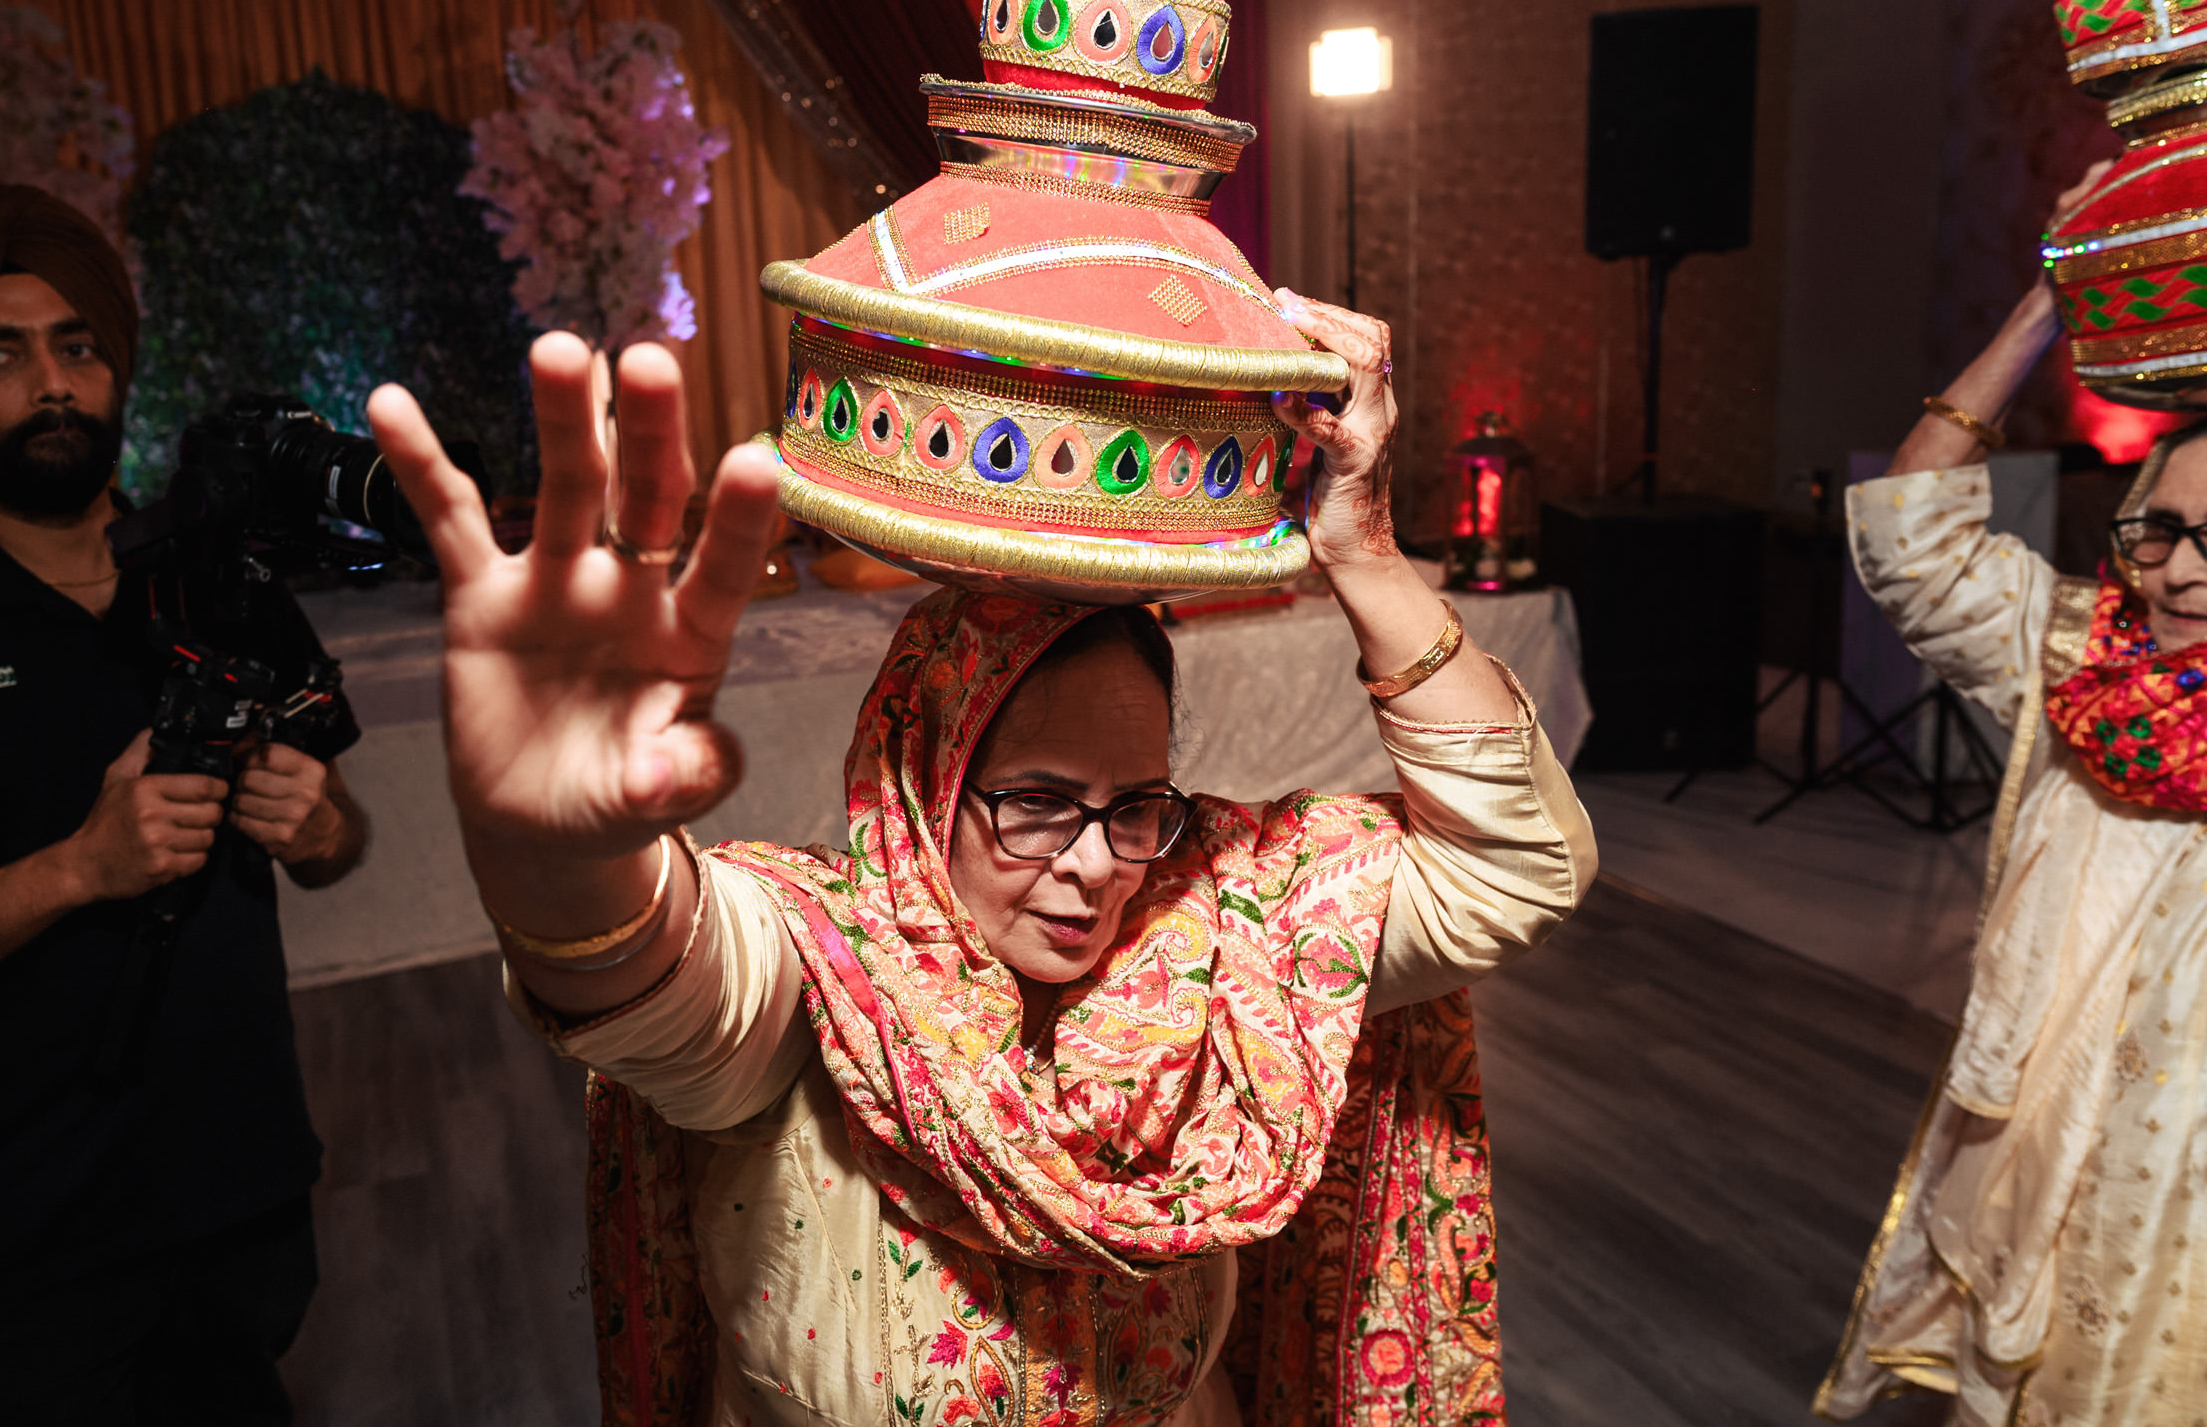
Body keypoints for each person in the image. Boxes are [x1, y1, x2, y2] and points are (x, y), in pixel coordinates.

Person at [365, 288, 1598, 1423]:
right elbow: (641, 982)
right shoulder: (825, 970)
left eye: (1135, 804)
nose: (1097, 867)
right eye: (1036, 802)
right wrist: (548, 849)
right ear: (922, 784)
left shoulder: (1232, 922)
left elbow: (1518, 868)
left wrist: (1367, 552)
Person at [0, 185, 369, 1425]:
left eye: (79, 346)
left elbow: (340, 839)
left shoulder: (225, 592)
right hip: (27, 1238)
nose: (53, 384)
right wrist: (75, 869)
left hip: (245, 1197)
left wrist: (322, 825)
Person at [1816, 161, 2207, 1424]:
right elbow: (1910, 535)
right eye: (2165, 531)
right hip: (2047, 1102)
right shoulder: (2074, 647)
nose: (2183, 573)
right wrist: (2047, 301)